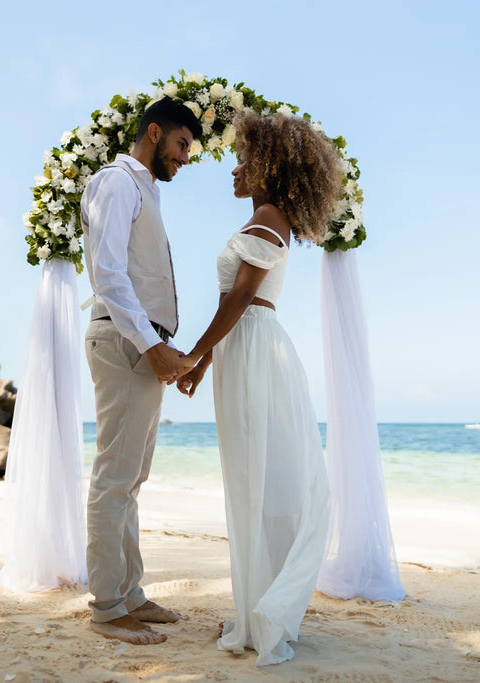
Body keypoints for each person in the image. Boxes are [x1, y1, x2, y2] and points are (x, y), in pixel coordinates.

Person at [174, 110, 342, 665]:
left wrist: (196, 354)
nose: (236, 169)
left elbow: (241, 299)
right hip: (244, 349)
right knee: (250, 480)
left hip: (254, 351)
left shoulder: (269, 216)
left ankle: (261, 610)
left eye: (245, 160)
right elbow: (233, 304)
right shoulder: (268, 218)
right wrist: (203, 363)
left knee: (256, 481)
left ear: (270, 166)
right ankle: (254, 605)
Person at [80, 97, 202, 645]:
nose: (183, 159)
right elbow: (107, 272)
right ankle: (108, 608)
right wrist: (151, 345)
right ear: (154, 134)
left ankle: (130, 593)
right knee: (114, 478)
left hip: (143, 342)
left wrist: (160, 344)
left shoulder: (145, 189)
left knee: (132, 479)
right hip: (126, 341)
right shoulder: (118, 181)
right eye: (180, 146)